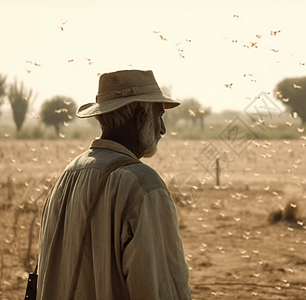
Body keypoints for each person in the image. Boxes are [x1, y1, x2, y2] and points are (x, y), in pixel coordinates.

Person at [37, 70, 192, 299]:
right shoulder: (143, 185)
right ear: (141, 116)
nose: (162, 129)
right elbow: (160, 289)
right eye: (159, 116)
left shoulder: (66, 177)